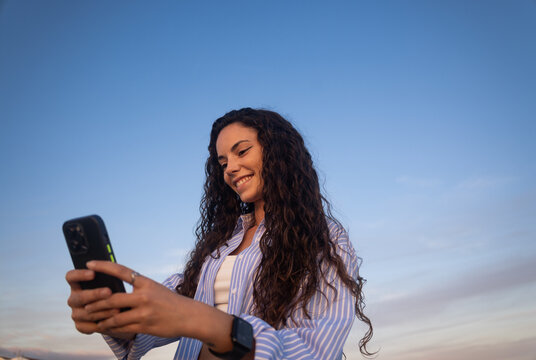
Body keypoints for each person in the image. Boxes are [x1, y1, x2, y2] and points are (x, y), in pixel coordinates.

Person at [66, 108, 373, 359]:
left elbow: (315, 349)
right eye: (223, 162)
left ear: (280, 153)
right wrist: (114, 316)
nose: (230, 169)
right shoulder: (220, 244)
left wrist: (202, 321)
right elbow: (160, 316)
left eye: (242, 151)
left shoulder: (326, 239)